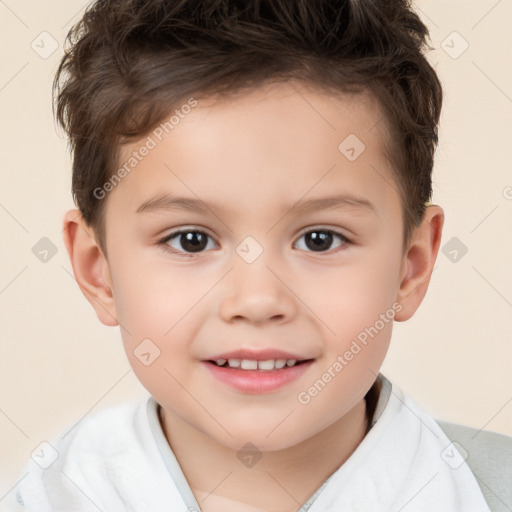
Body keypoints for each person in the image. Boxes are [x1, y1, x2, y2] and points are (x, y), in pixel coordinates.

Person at [6, 0, 512, 511]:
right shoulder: (48, 497)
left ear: (412, 265)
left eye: (320, 239)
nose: (257, 299)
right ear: (100, 272)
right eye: (191, 240)